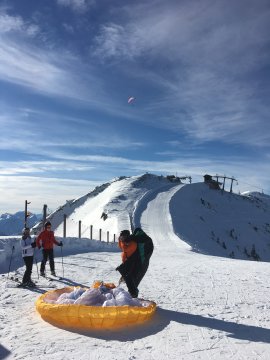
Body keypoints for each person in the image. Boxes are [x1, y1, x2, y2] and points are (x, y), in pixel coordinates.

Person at [116, 228, 154, 298]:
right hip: (136, 264)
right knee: (130, 280)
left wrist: (133, 238)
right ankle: (132, 296)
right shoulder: (125, 247)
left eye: (124, 238)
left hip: (141, 264)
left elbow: (145, 239)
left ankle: (133, 296)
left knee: (133, 281)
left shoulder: (134, 243)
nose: (123, 240)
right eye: (121, 238)